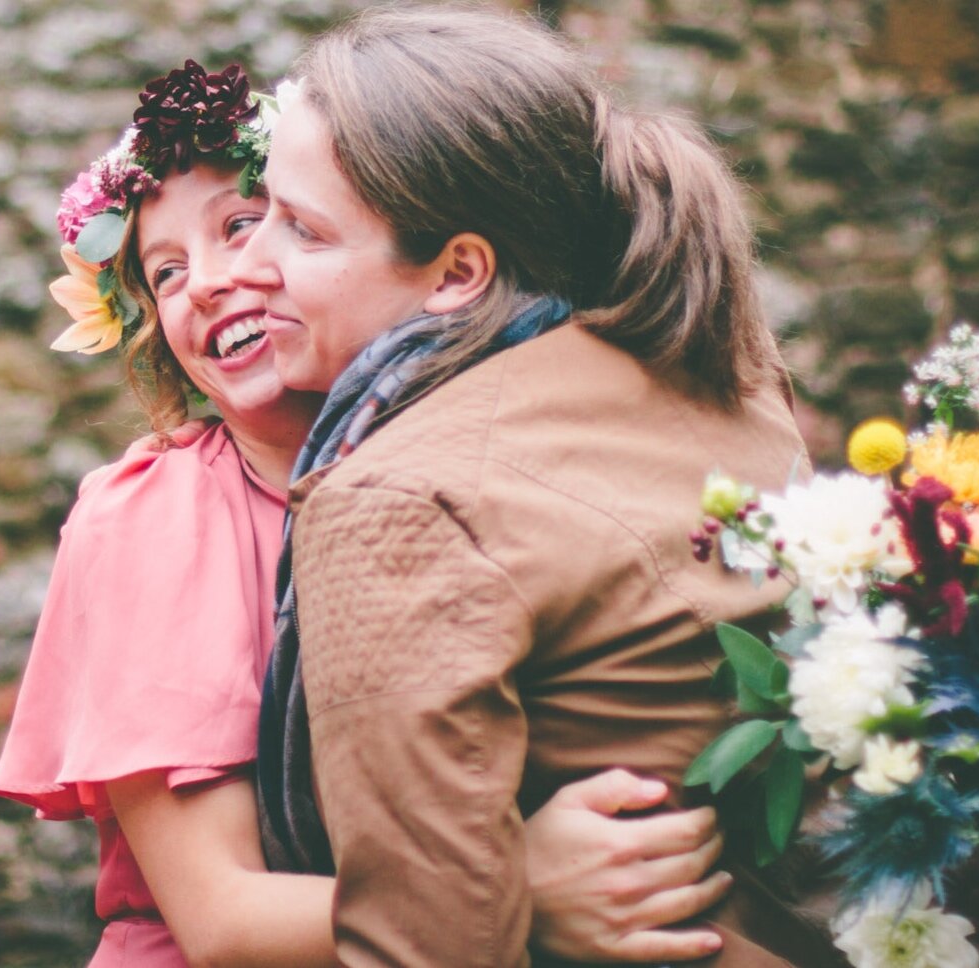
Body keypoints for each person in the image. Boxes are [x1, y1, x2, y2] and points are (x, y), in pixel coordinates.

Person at [0, 60, 736, 968]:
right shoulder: (162, 520)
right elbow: (219, 918)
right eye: (167, 272)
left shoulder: (458, 448)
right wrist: (520, 887)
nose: (215, 280)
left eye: (249, 226)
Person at [229, 8, 841, 968]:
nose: (248, 262)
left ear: (457, 274)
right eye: (259, 210)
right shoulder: (722, 379)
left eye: (302, 231)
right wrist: (522, 875)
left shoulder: (396, 497)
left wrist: (503, 890)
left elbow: (419, 945)